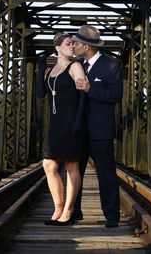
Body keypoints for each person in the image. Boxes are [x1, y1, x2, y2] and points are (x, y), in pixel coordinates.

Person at [72, 25, 123, 228]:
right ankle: (74, 212)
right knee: (75, 173)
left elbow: (115, 96)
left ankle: (112, 216)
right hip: (79, 130)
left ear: (86, 46)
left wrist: (91, 89)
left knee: (106, 174)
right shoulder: (76, 66)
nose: (73, 45)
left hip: (101, 131)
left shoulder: (111, 66)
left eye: (76, 42)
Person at [37, 32, 86, 226]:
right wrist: (41, 69)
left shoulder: (75, 66)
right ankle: (58, 207)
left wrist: (77, 122)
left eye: (73, 44)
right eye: (68, 44)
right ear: (57, 48)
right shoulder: (51, 71)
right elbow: (40, 94)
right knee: (48, 165)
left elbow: (83, 96)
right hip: (56, 123)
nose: (72, 47)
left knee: (72, 165)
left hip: (71, 121)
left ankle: (69, 210)